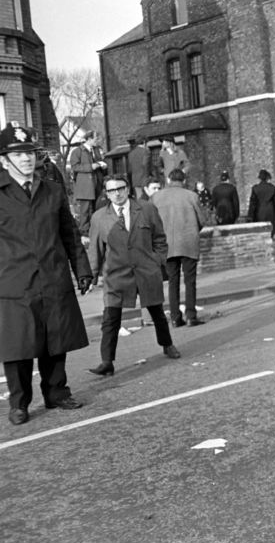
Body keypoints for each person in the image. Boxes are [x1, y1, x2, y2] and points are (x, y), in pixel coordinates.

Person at [0, 124, 92, 425]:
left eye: (29, 153)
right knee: (19, 345)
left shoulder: (52, 190)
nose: (26, 159)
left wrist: (82, 269)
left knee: (56, 336)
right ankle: (19, 402)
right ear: (4, 161)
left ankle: (57, 392)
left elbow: (69, 233)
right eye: (19, 154)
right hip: (14, 281)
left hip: (53, 275)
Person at [86, 174, 181, 375]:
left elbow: (160, 238)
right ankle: (107, 362)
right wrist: (91, 277)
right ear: (107, 193)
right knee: (111, 318)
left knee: (156, 312)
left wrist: (157, 260)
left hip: (146, 270)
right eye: (111, 190)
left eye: (120, 188)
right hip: (116, 275)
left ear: (128, 188)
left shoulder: (146, 209)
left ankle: (167, 344)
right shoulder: (99, 217)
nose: (117, 193)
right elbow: (95, 250)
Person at [151, 168, 206, 327]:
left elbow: (150, 221)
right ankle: (191, 316)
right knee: (190, 281)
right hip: (188, 242)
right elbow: (202, 220)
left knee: (172, 281)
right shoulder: (192, 196)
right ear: (183, 180)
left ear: (168, 180)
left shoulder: (156, 198)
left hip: (166, 245)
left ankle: (175, 317)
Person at [68, 130, 107, 231]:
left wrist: (102, 165)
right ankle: (84, 231)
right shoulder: (77, 151)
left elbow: (100, 162)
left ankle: (96, 229)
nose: (97, 141)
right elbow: (75, 167)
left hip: (97, 183)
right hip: (85, 185)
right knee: (84, 211)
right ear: (89, 139)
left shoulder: (97, 150)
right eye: (96, 139)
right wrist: (91, 167)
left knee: (97, 208)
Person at [248, 168, 275, 236]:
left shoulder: (255, 188)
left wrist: (250, 216)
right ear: (267, 178)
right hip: (271, 212)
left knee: (261, 233)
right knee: (271, 233)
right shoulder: (273, 188)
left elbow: (252, 204)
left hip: (259, 212)